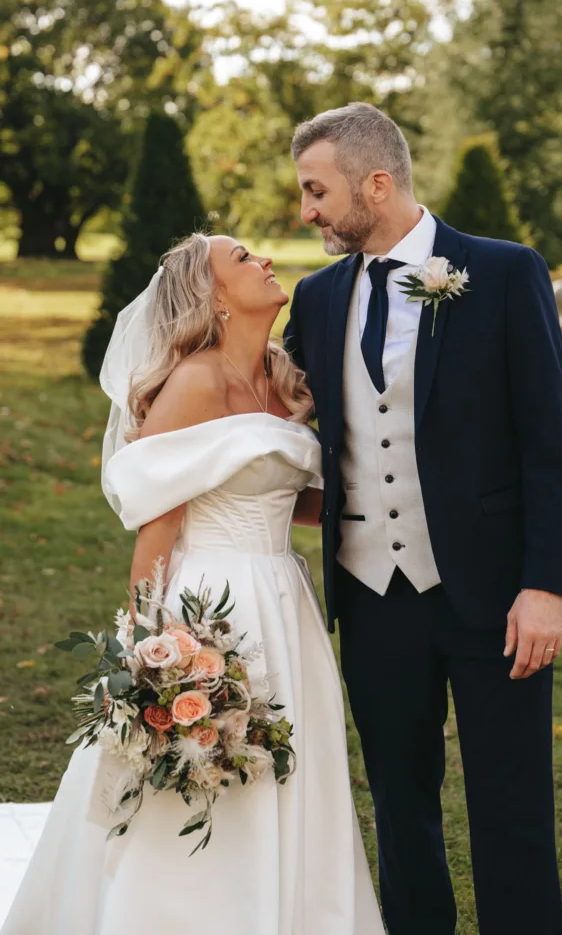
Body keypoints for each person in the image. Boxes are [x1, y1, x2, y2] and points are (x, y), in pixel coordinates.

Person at [2, 233, 384, 935]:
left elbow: (289, 501)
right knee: (200, 768)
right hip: (210, 605)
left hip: (284, 603)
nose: (264, 261)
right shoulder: (195, 383)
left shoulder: (282, 376)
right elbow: (157, 529)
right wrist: (157, 656)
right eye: (242, 258)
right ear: (212, 296)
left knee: (287, 769)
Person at [284, 102, 562, 935]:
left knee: (510, 806)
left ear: (376, 184)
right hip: (372, 593)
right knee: (399, 807)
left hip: (492, 595)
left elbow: (548, 449)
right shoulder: (315, 297)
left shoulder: (504, 271)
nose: (306, 211)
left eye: (317, 191)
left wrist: (542, 587)